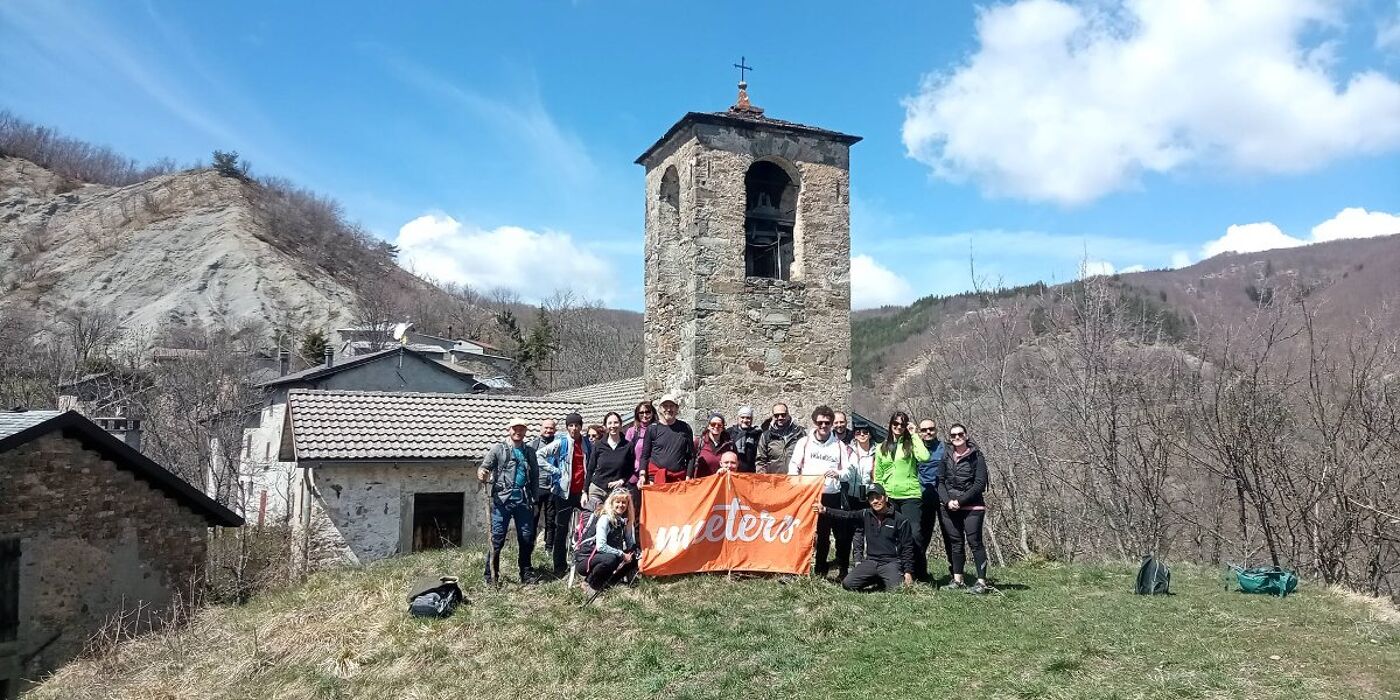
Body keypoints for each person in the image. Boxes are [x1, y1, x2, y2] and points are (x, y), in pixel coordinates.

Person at [788, 405, 854, 579]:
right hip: (809, 494)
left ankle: (835, 569)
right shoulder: (804, 442)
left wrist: (838, 474)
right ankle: (807, 570)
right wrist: (797, 486)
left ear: (832, 424)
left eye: (827, 423)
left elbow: (848, 472)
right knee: (810, 533)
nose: (823, 426)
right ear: (814, 423)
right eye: (820, 423)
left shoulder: (839, 445)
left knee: (835, 534)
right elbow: (794, 466)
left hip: (831, 495)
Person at [813, 484, 914, 592]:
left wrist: (908, 572)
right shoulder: (866, 514)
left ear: (886, 498)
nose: (875, 501)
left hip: (891, 562)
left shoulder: (900, 520)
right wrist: (825, 510)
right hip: (871, 561)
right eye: (871, 499)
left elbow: (907, 547)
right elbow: (847, 515)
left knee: (897, 589)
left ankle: (883, 578)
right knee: (848, 584)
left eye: (878, 497)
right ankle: (877, 578)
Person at [477, 417, 542, 585]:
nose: (518, 432)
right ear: (509, 430)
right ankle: (491, 575)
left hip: (524, 502)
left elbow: (535, 477)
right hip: (502, 502)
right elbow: (484, 467)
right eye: (515, 429)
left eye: (521, 429)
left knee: (526, 538)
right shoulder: (498, 449)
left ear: (525, 431)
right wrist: (482, 473)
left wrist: (535, 500)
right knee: (497, 539)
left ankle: (526, 573)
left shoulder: (529, 452)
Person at [937, 423, 995, 594]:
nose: (957, 437)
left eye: (960, 434)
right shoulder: (946, 455)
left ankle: (981, 582)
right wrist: (947, 501)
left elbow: (979, 484)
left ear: (966, 435)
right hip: (949, 506)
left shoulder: (977, 456)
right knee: (956, 543)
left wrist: (960, 501)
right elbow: (940, 481)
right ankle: (958, 580)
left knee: (975, 542)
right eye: (953, 435)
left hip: (972, 506)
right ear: (950, 438)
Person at [872, 411, 930, 581]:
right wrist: (880, 496)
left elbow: (925, 457)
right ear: (890, 424)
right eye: (896, 424)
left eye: (902, 425)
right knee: (892, 536)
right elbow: (878, 475)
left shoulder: (910, 444)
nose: (899, 427)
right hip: (890, 497)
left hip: (910, 495)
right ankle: (897, 573)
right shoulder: (881, 447)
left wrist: (914, 435)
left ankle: (920, 574)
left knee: (914, 534)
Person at [536, 412, 592, 578]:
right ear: (567, 427)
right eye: (571, 425)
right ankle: (559, 567)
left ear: (581, 426)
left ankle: (583, 564)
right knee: (561, 529)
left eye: (577, 425)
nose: (574, 428)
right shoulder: (561, 442)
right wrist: (555, 471)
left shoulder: (587, 443)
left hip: (582, 492)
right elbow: (539, 455)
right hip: (563, 492)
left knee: (586, 529)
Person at [574, 487, 641, 595]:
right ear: (611, 503)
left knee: (633, 558)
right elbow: (601, 546)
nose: (621, 505)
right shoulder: (605, 518)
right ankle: (589, 583)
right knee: (610, 559)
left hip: (607, 555)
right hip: (587, 559)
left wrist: (634, 554)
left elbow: (630, 544)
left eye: (624, 502)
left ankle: (607, 584)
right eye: (617, 502)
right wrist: (621, 554)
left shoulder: (624, 521)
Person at [914, 418, 947, 582]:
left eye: (931, 429)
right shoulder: (916, 449)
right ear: (920, 432)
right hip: (923, 497)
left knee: (950, 535)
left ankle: (956, 574)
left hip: (943, 497)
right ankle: (920, 573)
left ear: (936, 430)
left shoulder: (945, 448)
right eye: (924, 430)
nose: (928, 432)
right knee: (921, 536)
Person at [638, 394, 695, 485]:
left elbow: (691, 456)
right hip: (655, 479)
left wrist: (688, 476)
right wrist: (642, 475)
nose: (668, 409)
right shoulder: (652, 429)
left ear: (677, 408)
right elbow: (645, 455)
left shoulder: (685, 428)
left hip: (678, 479)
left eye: (671, 406)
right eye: (665, 406)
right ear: (660, 409)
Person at [584, 412, 634, 507]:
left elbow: (630, 469)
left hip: (617, 492)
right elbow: (590, 469)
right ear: (606, 426)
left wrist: (622, 481)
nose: (613, 426)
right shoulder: (598, 445)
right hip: (598, 489)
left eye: (616, 422)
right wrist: (585, 492)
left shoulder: (628, 446)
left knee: (614, 516)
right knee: (599, 515)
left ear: (620, 425)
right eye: (610, 423)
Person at [846, 424, 877, 563]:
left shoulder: (877, 451)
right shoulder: (848, 450)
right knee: (857, 528)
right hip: (852, 494)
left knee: (872, 527)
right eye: (858, 432)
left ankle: (873, 558)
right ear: (854, 435)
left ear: (870, 434)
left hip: (870, 495)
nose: (862, 435)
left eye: (865, 432)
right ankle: (858, 560)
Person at [528, 419, 559, 552]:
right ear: (540, 429)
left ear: (555, 430)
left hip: (553, 487)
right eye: (546, 428)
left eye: (551, 428)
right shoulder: (532, 445)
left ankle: (549, 548)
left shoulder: (559, 444)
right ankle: (529, 547)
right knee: (533, 518)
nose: (548, 430)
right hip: (537, 487)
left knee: (551, 520)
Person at [755, 403, 803, 474]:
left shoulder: (799, 433)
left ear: (788, 415)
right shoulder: (766, 436)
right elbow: (760, 461)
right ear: (773, 417)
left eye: (783, 415)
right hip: (774, 479)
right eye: (776, 415)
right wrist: (762, 478)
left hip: (794, 478)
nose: (780, 418)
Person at [624, 401, 656, 495]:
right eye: (641, 412)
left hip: (653, 474)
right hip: (635, 474)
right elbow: (626, 453)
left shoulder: (658, 430)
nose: (645, 415)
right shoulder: (632, 431)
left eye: (648, 412)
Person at [693, 412, 735, 479]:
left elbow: (734, 464)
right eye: (713, 424)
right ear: (708, 426)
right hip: (702, 483)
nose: (716, 426)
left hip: (721, 482)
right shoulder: (698, 443)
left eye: (719, 425)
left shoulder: (729, 445)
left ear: (723, 427)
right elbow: (690, 462)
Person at [727, 406, 762, 473]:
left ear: (752, 420)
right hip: (733, 471)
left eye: (748, 418)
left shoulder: (757, 434)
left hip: (751, 472)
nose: (745, 420)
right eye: (742, 417)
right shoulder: (729, 433)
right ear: (738, 418)